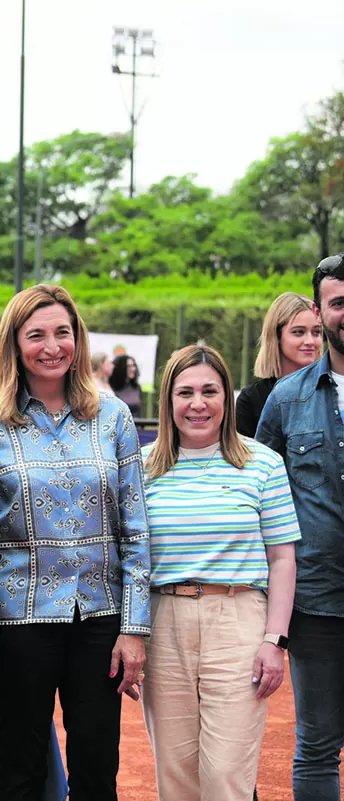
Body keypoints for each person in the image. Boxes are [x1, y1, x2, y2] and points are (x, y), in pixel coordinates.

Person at [0, 284, 150, 801]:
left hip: (99, 618)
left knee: (96, 767)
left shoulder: (113, 417)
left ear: (78, 339)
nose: (52, 346)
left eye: (62, 333)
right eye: (37, 335)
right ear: (13, 344)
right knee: (20, 767)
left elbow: (135, 528)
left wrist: (134, 628)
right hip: (17, 620)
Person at [141, 344, 299, 801]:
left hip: (239, 618)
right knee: (175, 776)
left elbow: (282, 559)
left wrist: (275, 640)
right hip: (162, 620)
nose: (198, 404)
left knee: (227, 777)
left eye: (210, 391)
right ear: (167, 402)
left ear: (226, 398)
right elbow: (128, 558)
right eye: (185, 392)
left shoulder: (262, 463)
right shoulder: (141, 468)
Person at [256, 252, 344, 801]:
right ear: (321, 308)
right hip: (318, 604)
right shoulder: (286, 401)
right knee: (317, 744)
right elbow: (257, 502)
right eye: (339, 302)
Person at [236, 292, 320, 438]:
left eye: (316, 332)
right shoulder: (251, 399)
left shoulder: (332, 390)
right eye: (299, 332)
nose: (310, 341)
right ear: (276, 336)